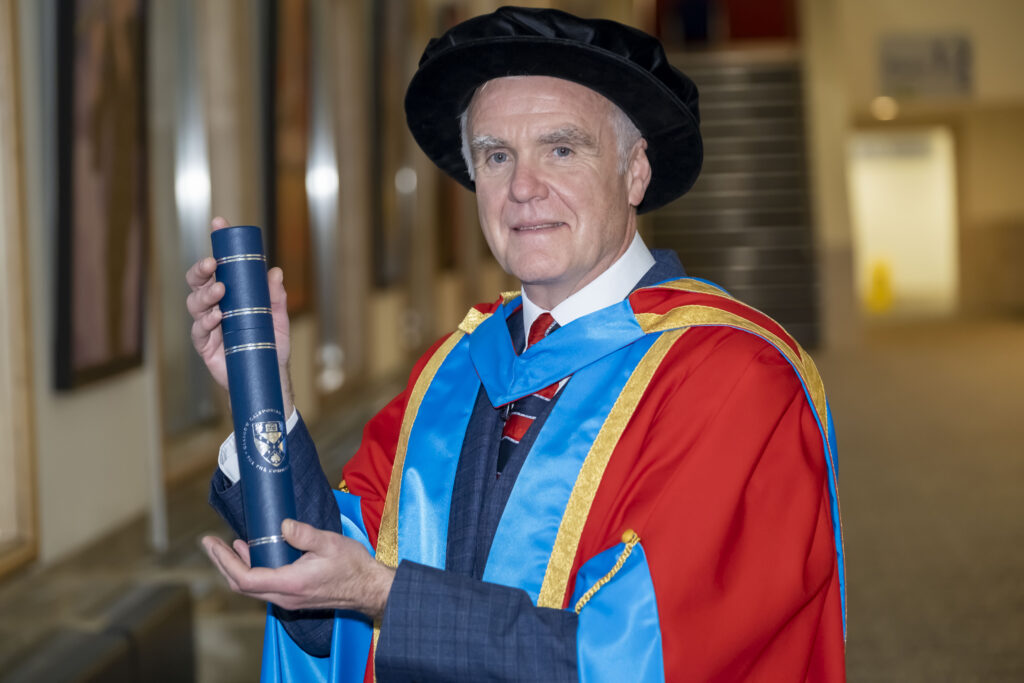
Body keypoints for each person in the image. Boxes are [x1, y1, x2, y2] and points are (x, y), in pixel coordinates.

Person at [186, 7, 846, 682]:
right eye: (497, 156)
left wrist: (388, 597)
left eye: (561, 150)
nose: (523, 189)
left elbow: (638, 657)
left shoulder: (736, 380)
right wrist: (262, 394)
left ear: (635, 172)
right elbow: (331, 588)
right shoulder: (454, 371)